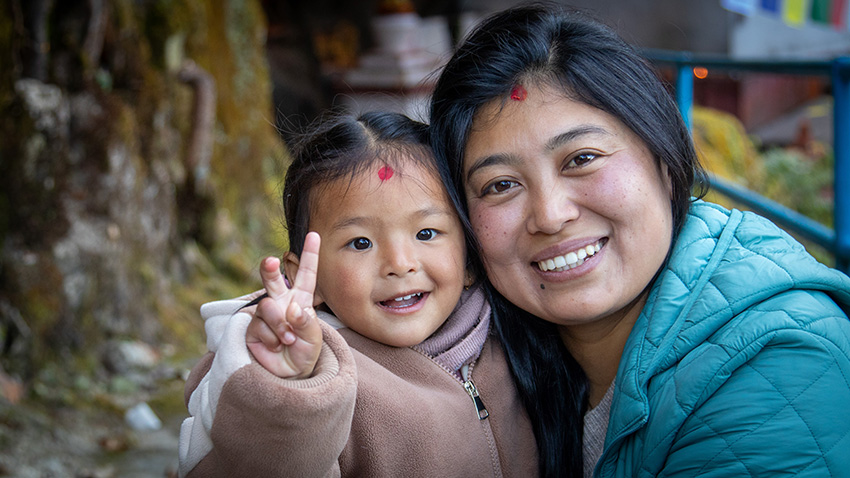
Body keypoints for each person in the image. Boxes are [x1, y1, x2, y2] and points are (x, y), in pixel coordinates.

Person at [428, 3, 850, 478]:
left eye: (581, 158)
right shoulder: (481, 347)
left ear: (664, 160)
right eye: (501, 185)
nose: (549, 216)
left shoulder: (772, 367)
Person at [177, 111, 537, 477]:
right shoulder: (313, 373)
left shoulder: (516, 330)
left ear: (469, 258)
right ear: (307, 278)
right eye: (360, 243)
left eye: (426, 233)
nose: (399, 264)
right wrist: (288, 390)